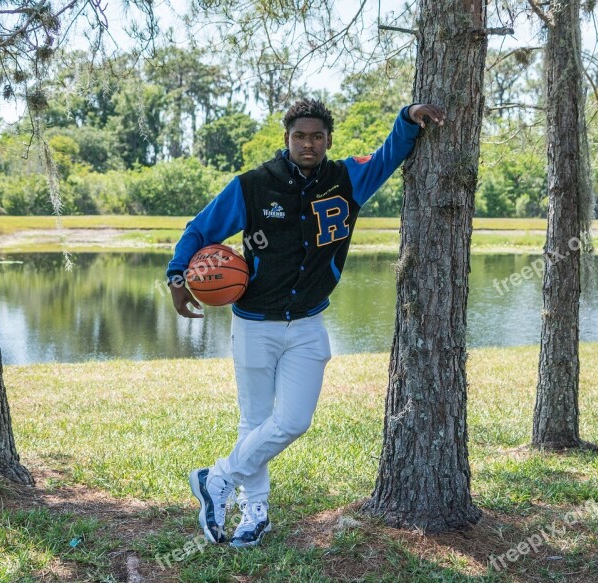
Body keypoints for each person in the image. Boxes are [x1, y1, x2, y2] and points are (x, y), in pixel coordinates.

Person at [166, 98, 445, 548]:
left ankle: (216, 479)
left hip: (309, 324)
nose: (308, 144)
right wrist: (178, 274)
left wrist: (408, 116)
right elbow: (200, 229)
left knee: (293, 420)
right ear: (287, 140)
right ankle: (254, 515)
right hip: (255, 322)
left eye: (317, 136)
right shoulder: (254, 186)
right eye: (300, 136)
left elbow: (390, 154)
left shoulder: (347, 180)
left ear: (328, 140)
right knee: (254, 420)